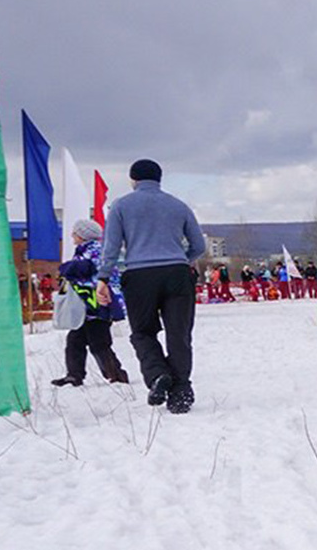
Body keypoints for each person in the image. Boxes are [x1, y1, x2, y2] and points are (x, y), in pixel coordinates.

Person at [98, 159, 206, 412]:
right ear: (159, 179)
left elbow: (111, 248)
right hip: (177, 274)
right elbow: (199, 246)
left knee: (142, 332)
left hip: (139, 276)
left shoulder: (121, 206)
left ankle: (157, 374)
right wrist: (181, 260)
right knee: (178, 334)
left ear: (133, 179)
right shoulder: (179, 206)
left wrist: (103, 278)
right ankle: (181, 392)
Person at [52, 218, 130, 387]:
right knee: (75, 340)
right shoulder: (85, 250)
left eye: (75, 232)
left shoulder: (95, 249)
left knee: (99, 342)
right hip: (87, 306)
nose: (72, 235)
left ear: (83, 235)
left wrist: (66, 268)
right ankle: (74, 375)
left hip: (98, 304)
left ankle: (116, 375)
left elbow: (83, 268)